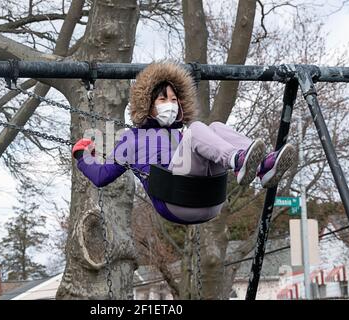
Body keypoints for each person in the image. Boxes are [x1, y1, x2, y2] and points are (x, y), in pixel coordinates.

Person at [72, 62, 297, 224]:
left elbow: (200, 145)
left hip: (210, 201)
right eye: (162, 99)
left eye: (173, 100)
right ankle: (239, 160)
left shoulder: (183, 136)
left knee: (216, 127)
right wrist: (83, 156)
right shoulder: (132, 138)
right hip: (174, 201)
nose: (170, 104)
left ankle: (262, 168)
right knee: (198, 129)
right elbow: (102, 177)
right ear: (148, 104)